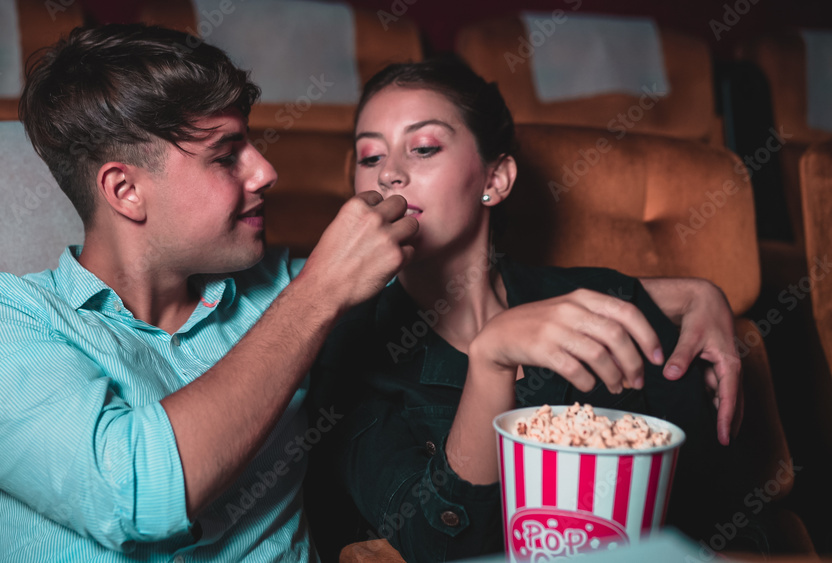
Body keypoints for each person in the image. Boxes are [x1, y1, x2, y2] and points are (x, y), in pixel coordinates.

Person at [0, 24, 740, 562]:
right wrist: (318, 293)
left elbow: (456, 281)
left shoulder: (276, 294)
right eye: (228, 154)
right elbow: (137, 492)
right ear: (125, 190)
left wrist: (682, 291)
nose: (268, 170)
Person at [304, 58, 755, 563]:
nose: (389, 173)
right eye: (370, 157)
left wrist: (701, 294)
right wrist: (490, 358)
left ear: (495, 178)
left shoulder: (596, 298)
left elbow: (701, 499)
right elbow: (438, 547)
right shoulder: (348, 350)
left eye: (424, 148)